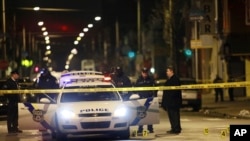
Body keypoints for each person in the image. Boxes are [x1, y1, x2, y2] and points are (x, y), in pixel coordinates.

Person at [161, 65, 182, 134]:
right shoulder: (169, 80)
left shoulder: (175, 79)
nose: (166, 72)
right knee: (171, 116)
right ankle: (173, 128)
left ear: (171, 71)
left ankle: (176, 129)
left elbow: (174, 92)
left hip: (174, 102)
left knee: (174, 115)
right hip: (169, 102)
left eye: (168, 71)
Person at [134, 67, 155, 133]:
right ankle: (140, 128)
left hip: (149, 99)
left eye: (146, 73)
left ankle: (150, 128)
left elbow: (155, 87)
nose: (145, 74)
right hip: (141, 99)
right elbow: (135, 88)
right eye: (143, 73)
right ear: (142, 73)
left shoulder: (151, 79)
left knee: (150, 114)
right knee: (141, 114)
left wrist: (154, 96)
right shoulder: (139, 80)